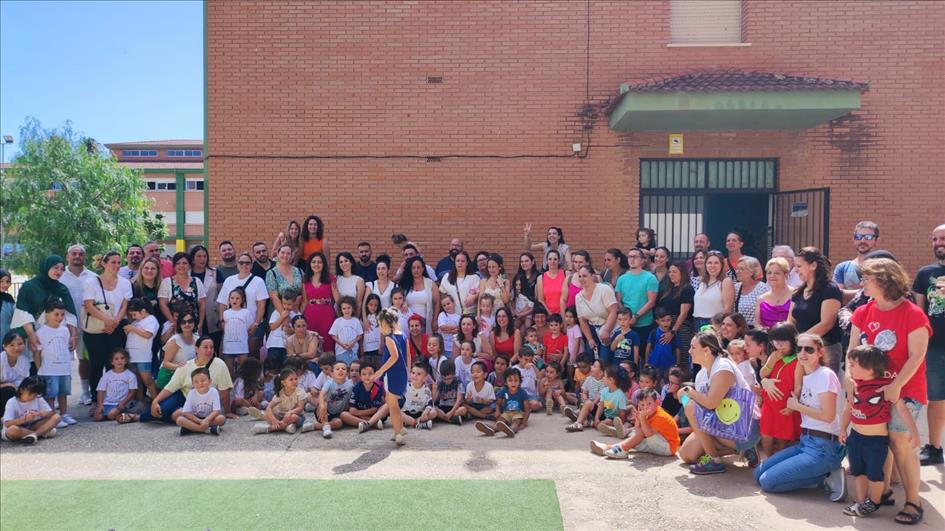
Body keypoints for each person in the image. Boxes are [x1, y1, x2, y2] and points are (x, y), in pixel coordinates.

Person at [848, 257, 931, 525]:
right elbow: (852, 350)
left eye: (867, 278)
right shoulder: (863, 311)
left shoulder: (912, 313)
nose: (862, 283)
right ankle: (880, 492)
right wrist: (849, 378)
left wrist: (895, 386)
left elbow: (917, 355)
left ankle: (913, 502)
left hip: (904, 389)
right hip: (869, 391)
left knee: (900, 443)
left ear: (885, 281)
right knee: (877, 440)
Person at [753, 333, 846, 503]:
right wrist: (764, 381)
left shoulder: (825, 375)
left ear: (820, 352)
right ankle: (823, 473)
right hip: (806, 441)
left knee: (767, 482)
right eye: (799, 348)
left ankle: (827, 475)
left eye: (809, 349)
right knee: (758, 474)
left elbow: (828, 416)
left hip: (823, 446)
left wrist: (797, 407)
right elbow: (769, 375)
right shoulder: (806, 376)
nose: (802, 353)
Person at [841, 345, 920, 518]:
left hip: (875, 440)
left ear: (870, 369)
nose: (849, 368)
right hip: (856, 437)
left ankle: (874, 502)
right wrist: (842, 429)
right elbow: (848, 409)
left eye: (853, 365)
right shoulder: (854, 386)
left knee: (874, 474)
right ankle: (860, 501)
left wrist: (914, 433)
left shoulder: (886, 387)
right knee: (858, 472)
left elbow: (902, 409)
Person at [677, 332, 759, 475]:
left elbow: (710, 403)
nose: (689, 351)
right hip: (719, 423)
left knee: (691, 407)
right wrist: (684, 397)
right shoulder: (701, 374)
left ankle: (714, 460)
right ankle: (742, 450)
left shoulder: (723, 368)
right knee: (687, 455)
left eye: (693, 347)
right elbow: (696, 405)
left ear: (707, 351)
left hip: (743, 428)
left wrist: (688, 393)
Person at [912, 223, 945, 466]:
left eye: (942, 239)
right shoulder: (925, 274)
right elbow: (919, 315)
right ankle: (934, 447)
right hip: (934, 348)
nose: (938, 243)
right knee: (937, 398)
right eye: (935, 239)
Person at [146, 336, 233, 423]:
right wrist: (155, 401)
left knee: (176, 415)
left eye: (212, 347)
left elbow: (224, 392)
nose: (209, 350)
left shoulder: (219, 364)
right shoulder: (186, 366)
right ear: (197, 349)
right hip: (184, 397)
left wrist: (228, 412)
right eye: (205, 347)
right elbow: (170, 387)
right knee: (155, 412)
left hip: (207, 404)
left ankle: (195, 422)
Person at [82, 251, 132, 399]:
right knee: (96, 365)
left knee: (115, 363)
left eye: (118, 262)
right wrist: (107, 320)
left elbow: (124, 305)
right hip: (95, 330)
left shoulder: (125, 283)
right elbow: (89, 305)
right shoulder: (91, 282)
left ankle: (113, 396)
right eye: (113, 262)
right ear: (104, 263)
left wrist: (115, 322)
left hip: (116, 329)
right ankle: (96, 398)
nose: (116, 265)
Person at [10, 255, 78, 358]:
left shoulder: (62, 289)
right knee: (35, 362)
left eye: (62, 269)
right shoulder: (29, 287)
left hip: (56, 335)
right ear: (47, 267)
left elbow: (70, 313)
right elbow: (22, 313)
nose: (59, 271)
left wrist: (73, 335)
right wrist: (32, 335)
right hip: (34, 333)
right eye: (55, 267)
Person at [789, 247, 843, 374]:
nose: (795, 270)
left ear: (813, 265)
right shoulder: (798, 292)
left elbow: (826, 324)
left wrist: (800, 340)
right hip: (801, 349)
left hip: (825, 349)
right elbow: (790, 319)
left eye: (799, 266)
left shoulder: (830, 289)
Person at [590, 387, 680, 459]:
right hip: (657, 442)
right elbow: (638, 431)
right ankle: (608, 447)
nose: (645, 407)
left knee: (637, 437)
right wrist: (638, 420)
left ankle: (623, 449)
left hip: (668, 447)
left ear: (657, 403)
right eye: (642, 405)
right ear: (638, 405)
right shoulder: (648, 413)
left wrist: (642, 419)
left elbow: (649, 434)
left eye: (649, 404)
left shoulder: (660, 416)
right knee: (634, 440)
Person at [60, 244, 98, 405]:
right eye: (74, 254)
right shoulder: (59, 275)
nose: (77, 256)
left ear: (85, 257)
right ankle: (59, 395)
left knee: (85, 360)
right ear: (68, 256)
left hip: (86, 325)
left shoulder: (93, 277)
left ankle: (85, 393)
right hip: (63, 325)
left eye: (80, 254)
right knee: (61, 361)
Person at [759, 322, 802, 458]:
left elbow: (798, 386)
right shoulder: (773, 355)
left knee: (783, 436)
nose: (778, 344)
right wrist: (771, 361)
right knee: (765, 433)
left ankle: (778, 460)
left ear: (792, 340)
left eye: (783, 340)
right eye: (775, 340)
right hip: (769, 402)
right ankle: (768, 458)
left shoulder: (798, 360)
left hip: (785, 404)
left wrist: (792, 406)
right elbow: (762, 374)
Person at [216, 252, 268, 357]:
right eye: (241, 263)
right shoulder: (229, 280)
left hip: (251, 326)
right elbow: (222, 303)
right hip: (232, 326)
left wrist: (256, 324)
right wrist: (222, 321)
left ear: (252, 265)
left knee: (251, 355)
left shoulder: (258, 281)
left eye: (247, 263)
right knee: (229, 356)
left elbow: (261, 305)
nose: (244, 265)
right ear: (237, 264)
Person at [34, 298, 74, 427]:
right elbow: (37, 353)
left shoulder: (65, 330)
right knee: (51, 394)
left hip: (64, 369)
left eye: (62, 314)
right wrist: (40, 369)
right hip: (49, 370)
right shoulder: (41, 332)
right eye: (56, 314)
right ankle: (52, 416)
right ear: (47, 314)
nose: (60, 317)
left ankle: (64, 414)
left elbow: (66, 348)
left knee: (63, 393)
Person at [374, 306, 411, 446]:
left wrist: (380, 371)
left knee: (392, 406)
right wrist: (408, 371)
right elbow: (408, 355)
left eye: (381, 325)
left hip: (392, 375)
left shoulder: (389, 338)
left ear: (388, 324)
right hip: (402, 374)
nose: (380, 328)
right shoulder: (403, 335)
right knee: (393, 403)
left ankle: (397, 433)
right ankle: (400, 427)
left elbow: (394, 357)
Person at [614, 248, 659, 354]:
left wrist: (636, 316)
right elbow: (618, 300)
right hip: (626, 326)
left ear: (642, 260)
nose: (632, 259)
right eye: (630, 256)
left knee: (643, 354)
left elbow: (651, 302)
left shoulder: (650, 278)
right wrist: (626, 318)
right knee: (626, 354)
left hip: (644, 324)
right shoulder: (622, 279)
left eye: (635, 257)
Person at [575, 266, 619, 367]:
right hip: (592, 330)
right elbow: (582, 320)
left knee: (604, 362)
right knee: (591, 361)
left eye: (584, 276)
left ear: (592, 276)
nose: (581, 279)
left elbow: (613, 311)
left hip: (609, 328)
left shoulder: (604, 289)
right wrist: (590, 339)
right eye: (579, 276)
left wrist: (606, 330)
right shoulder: (578, 297)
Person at [657, 261, 694, 370]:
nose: (671, 274)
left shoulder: (687, 289)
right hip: (666, 325)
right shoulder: (668, 289)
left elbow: (683, 313)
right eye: (669, 272)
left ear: (682, 273)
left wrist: (673, 332)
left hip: (681, 328)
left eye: (674, 272)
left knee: (681, 359)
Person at [158, 252, 207, 333]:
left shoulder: (196, 281)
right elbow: (162, 304)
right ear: (174, 266)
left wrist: (200, 324)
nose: (181, 266)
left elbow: (202, 304)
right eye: (178, 263)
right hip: (174, 327)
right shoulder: (167, 282)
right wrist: (173, 323)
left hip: (193, 326)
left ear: (189, 265)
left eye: (185, 263)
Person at [1, 377, 60, 444]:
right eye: (30, 394)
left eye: (35, 395)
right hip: (18, 429)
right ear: (21, 390)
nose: (32, 397)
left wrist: (42, 414)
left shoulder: (38, 399)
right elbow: (7, 423)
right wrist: (25, 419)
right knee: (12, 430)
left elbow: (51, 413)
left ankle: (34, 435)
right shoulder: (12, 402)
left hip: (32, 426)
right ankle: (42, 433)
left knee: (56, 417)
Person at [476, 367, 530, 438]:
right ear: (505, 382)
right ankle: (491, 429)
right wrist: (497, 411)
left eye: (516, 380)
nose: (513, 383)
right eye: (510, 380)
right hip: (506, 413)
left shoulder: (523, 393)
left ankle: (511, 430)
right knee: (500, 421)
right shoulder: (503, 391)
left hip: (518, 413)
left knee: (516, 422)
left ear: (520, 381)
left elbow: (527, 410)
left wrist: (523, 423)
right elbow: (498, 404)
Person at [124, 297, 160, 400]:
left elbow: (148, 334)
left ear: (143, 311)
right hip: (132, 356)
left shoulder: (151, 320)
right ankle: (141, 401)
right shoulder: (136, 322)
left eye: (134, 314)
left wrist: (133, 329)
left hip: (143, 357)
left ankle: (156, 401)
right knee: (137, 381)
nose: (133, 317)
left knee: (147, 381)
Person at [252, 367, 305, 434]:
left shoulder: (300, 392)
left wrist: (290, 412)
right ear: (283, 383)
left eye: (296, 379)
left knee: (293, 417)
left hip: (296, 416)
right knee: (269, 415)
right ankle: (287, 427)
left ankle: (269, 429)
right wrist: (274, 420)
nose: (295, 381)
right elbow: (269, 407)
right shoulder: (280, 393)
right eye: (291, 380)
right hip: (281, 417)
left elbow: (300, 407)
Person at [834, 221, 881, 297]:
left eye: (868, 237)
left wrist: (847, 293)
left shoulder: (883, 267)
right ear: (853, 239)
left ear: (877, 241)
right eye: (858, 236)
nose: (862, 240)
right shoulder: (842, 267)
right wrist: (866, 292)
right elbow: (836, 294)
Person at [302, 252, 336, 353]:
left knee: (327, 339)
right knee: (311, 340)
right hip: (310, 314)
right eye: (313, 262)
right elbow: (304, 301)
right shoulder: (305, 280)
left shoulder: (330, 278)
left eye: (319, 262)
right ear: (309, 264)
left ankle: (328, 361)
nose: (316, 264)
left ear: (324, 264)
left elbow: (337, 298)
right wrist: (298, 316)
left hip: (327, 314)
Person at [176, 367, 226, 436]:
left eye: (203, 380)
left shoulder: (214, 392)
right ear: (192, 384)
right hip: (195, 418)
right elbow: (186, 412)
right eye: (196, 382)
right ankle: (206, 429)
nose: (200, 383)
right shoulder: (191, 393)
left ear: (210, 381)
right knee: (179, 420)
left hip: (210, 418)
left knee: (221, 419)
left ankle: (192, 428)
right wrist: (200, 421)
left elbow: (216, 411)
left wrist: (206, 420)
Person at [155, 311, 199, 389]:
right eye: (183, 322)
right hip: (169, 377)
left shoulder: (198, 339)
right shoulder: (175, 340)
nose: (187, 324)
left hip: (188, 377)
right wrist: (179, 367)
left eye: (190, 321)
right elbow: (165, 363)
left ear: (194, 322)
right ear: (179, 324)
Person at [93, 348, 138, 423]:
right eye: (116, 359)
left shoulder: (130, 375)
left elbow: (132, 392)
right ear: (112, 362)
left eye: (122, 358)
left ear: (126, 360)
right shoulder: (107, 375)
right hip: (107, 403)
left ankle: (125, 415)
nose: (119, 361)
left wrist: (123, 403)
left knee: (111, 414)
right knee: (97, 417)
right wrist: (100, 405)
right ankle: (111, 415)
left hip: (121, 404)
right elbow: (101, 390)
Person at [692, 251, 735, 331]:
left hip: (714, 324)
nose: (712, 266)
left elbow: (727, 309)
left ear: (722, 265)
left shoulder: (725, 281)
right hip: (697, 323)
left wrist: (717, 326)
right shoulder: (702, 282)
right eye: (709, 263)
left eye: (716, 263)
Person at [189, 245, 221, 348]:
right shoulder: (186, 274)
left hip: (212, 317)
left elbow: (222, 295)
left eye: (204, 256)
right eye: (199, 256)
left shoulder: (215, 273)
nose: (202, 259)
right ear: (192, 259)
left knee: (212, 348)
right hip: (192, 317)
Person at [343, 363, 389, 432]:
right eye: (364, 374)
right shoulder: (356, 388)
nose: (367, 376)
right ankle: (373, 423)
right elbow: (352, 410)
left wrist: (358, 414)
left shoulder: (377, 389)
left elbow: (374, 410)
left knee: (387, 406)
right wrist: (358, 414)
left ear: (375, 375)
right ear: (360, 376)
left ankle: (368, 422)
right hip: (361, 415)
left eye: (370, 374)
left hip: (373, 415)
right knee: (343, 415)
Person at [399, 256, 439, 334]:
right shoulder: (405, 284)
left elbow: (437, 302)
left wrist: (435, 319)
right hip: (408, 321)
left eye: (418, 267)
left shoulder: (430, 283)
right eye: (413, 268)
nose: (416, 270)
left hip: (424, 322)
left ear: (423, 269)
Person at [220, 287, 254, 377]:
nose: (234, 300)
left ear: (242, 300)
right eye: (232, 298)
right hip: (228, 347)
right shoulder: (225, 313)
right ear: (229, 299)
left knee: (244, 371)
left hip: (242, 347)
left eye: (237, 298)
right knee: (229, 372)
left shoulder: (246, 313)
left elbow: (249, 328)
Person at [266, 244, 303, 315]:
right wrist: (284, 316)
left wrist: (299, 312)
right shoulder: (271, 273)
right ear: (277, 254)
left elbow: (303, 293)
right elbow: (274, 297)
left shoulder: (299, 271)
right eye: (282, 252)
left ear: (291, 256)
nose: (285, 255)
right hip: (279, 312)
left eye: (288, 253)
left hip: (298, 311)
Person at [756, 257, 793, 329]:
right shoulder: (760, 299)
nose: (772, 276)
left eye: (777, 273)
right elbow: (757, 323)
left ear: (786, 274)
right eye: (769, 273)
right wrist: (761, 329)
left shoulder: (795, 294)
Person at [734, 256, 769, 327]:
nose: (737, 272)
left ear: (751, 272)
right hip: (738, 329)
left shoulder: (762, 288)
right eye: (737, 269)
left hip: (755, 329)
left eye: (741, 269)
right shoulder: (736, 287)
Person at [1, 333, 30, 415]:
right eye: (12, 345)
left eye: (20, 344)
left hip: (14, 391)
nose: (16, 348)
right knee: (9, 390)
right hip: (5, 391)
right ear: (4, 347)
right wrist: (8, 385)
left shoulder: (24, 361)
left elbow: (21, 383)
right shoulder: (1, 359)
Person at [329, 296, 363, 366]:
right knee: (342, 366)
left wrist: (353, 343)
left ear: (353, 308)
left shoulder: (356, 321)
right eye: (344, 308)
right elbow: (333, 335)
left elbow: (360, 335)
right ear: (341, 310)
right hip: (340, 351)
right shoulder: (338, 321)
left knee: (353, 367)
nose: (346, 310)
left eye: (349, 308)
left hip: (353, 350)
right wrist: (341, 344)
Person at [535, 250, 567, 319]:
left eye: (555, 259)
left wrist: (562, 313)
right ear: (546, 261)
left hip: (564, 314)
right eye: (550, 259)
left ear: (559, 261)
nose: (552, 261)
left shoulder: (566, 274)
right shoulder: (541, 278)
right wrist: (549, 314)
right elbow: (541, 299)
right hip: (548, 316)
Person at [0, 269, 13, 341]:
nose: (5, 284)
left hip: (6, 335)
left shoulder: (9, 298)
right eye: (1, 281)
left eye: (8, 282)